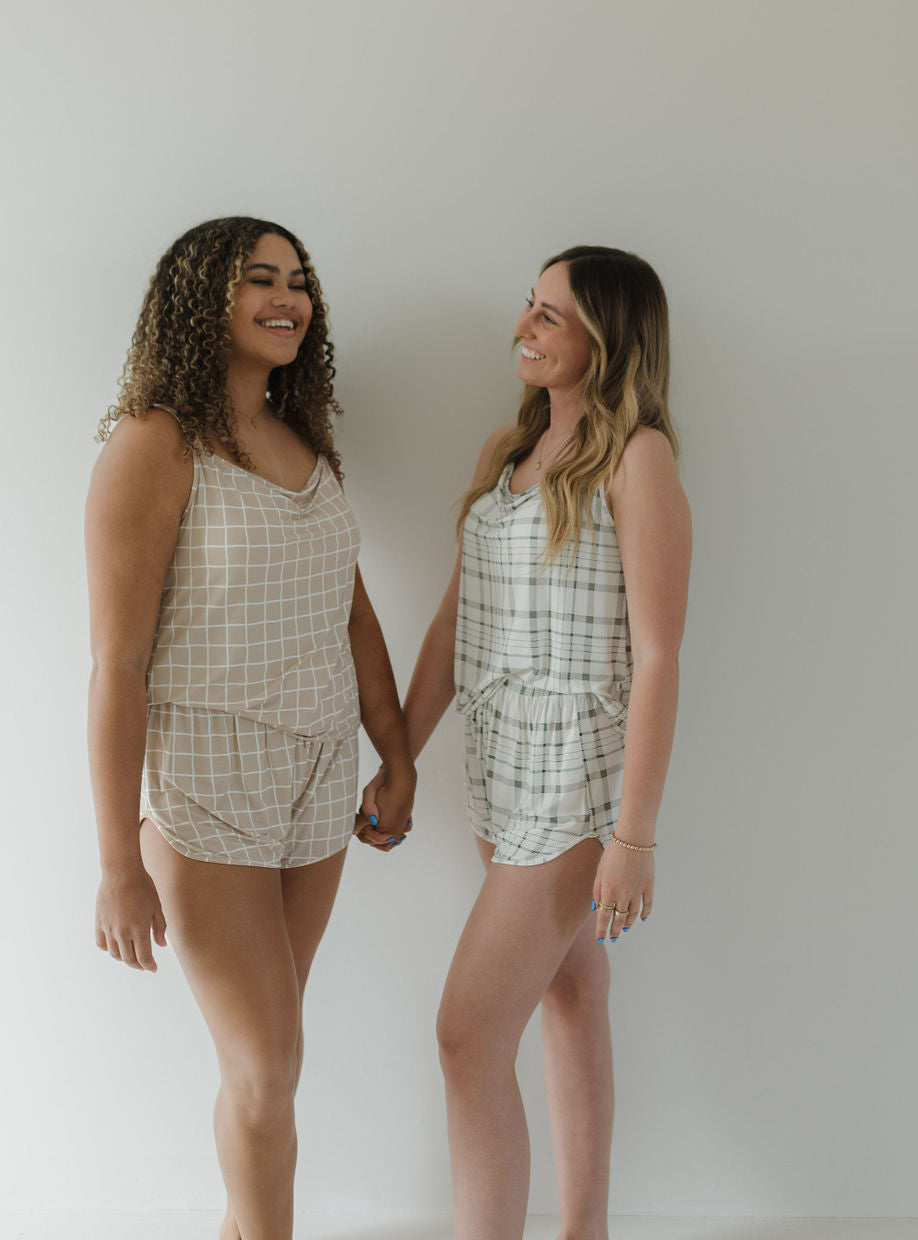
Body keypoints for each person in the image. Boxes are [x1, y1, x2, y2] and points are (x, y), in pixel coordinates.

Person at [86, 217, 415, 1240]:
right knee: (270, 1067)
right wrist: (117, 863)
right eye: (257, 279)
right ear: (200, 301)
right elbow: (117, 667)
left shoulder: (300, 439)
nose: (287, 297)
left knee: (266, 1062)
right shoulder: (154, 443)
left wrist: (393, 752)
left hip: (318, 776)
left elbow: (349, 613)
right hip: (206, 783)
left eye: (298, 280)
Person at [361, 244, 692, 1240]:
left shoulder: (638, 458)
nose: (526, 328)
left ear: (606, 334)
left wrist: (633, 836)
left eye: (551, 315)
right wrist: (403, 757)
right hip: (500, 769)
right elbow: (454, 627)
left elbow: (659, 658)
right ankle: (584, 1230)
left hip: (579, 787)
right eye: (529, 307)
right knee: (569, 993)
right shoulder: (500, 457)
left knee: (465, 1039)